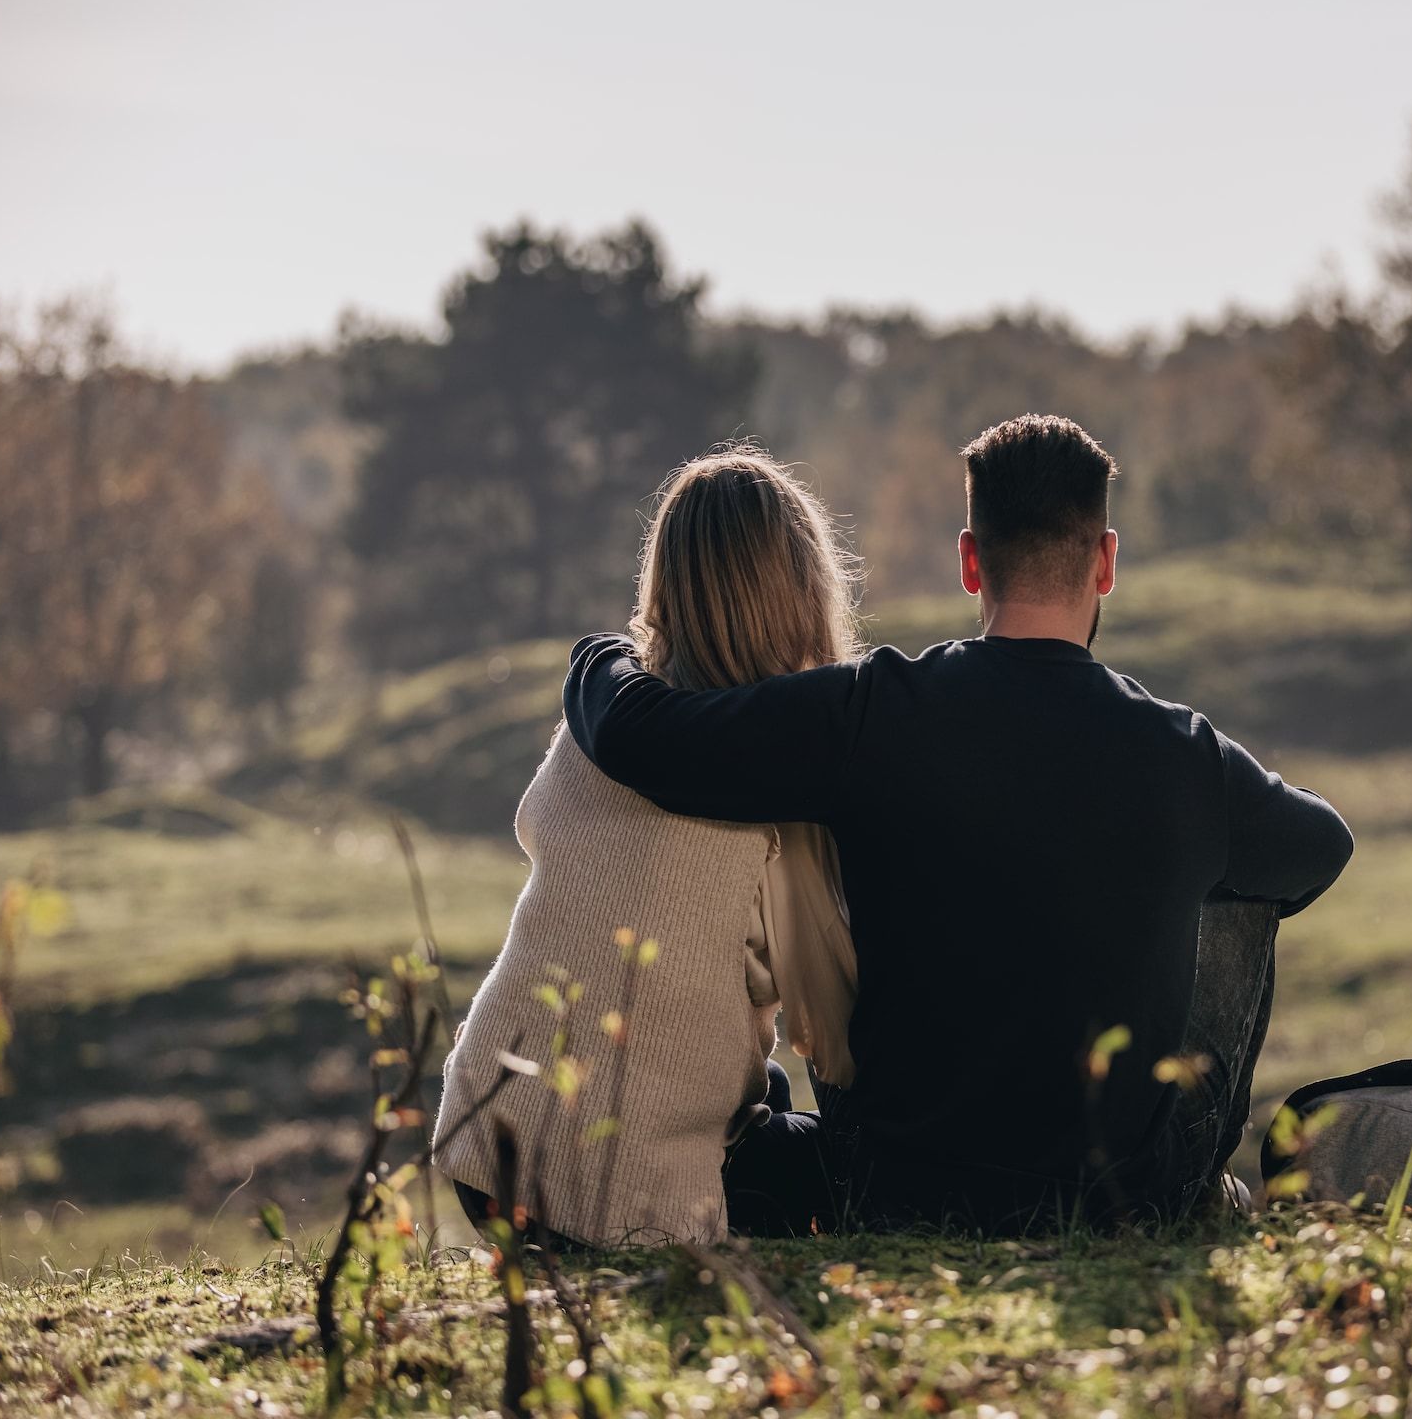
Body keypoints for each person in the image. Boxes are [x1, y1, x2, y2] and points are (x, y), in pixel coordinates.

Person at [563, 413, 1354, 1230]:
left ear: (971, 561)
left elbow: (640, 737)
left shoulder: (875, 711)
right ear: (1106, 562)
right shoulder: (1186, 754)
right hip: (1119, 1198)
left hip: (900, 1185)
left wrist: (598, 652)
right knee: (1247, 882)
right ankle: (1196, 1180)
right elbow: (1323, 845)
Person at [432, 445, 859, 1248]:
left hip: (486, 1145)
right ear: (806, 591)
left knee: (759, 1085)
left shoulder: (597, 730)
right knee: (838, 1161)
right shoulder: (784, 790)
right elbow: (828, 1031)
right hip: (618, 1193)